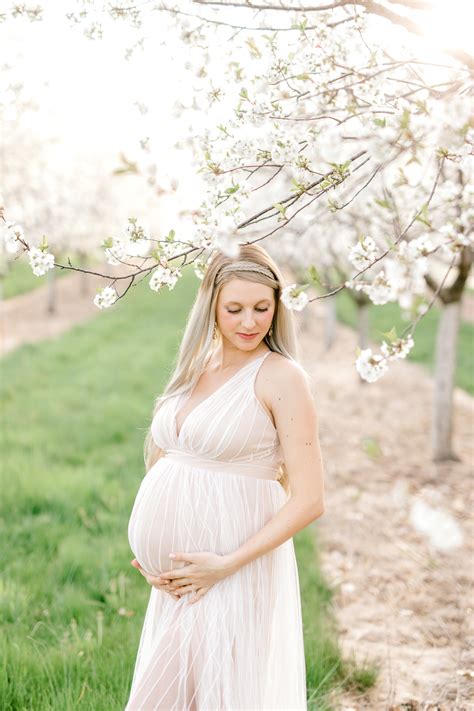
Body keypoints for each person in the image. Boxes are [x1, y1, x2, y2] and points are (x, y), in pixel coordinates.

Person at [125, 243, 325, 710]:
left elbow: (310, 499)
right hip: (182, 577)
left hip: (231, 568)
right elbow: (168, 456)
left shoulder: (282, 377)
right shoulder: (196, 367)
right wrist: (154, 551)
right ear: (210, 307)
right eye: (234, 309)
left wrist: (226, 564)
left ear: (278, 309)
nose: (250, 322)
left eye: (262, 308)